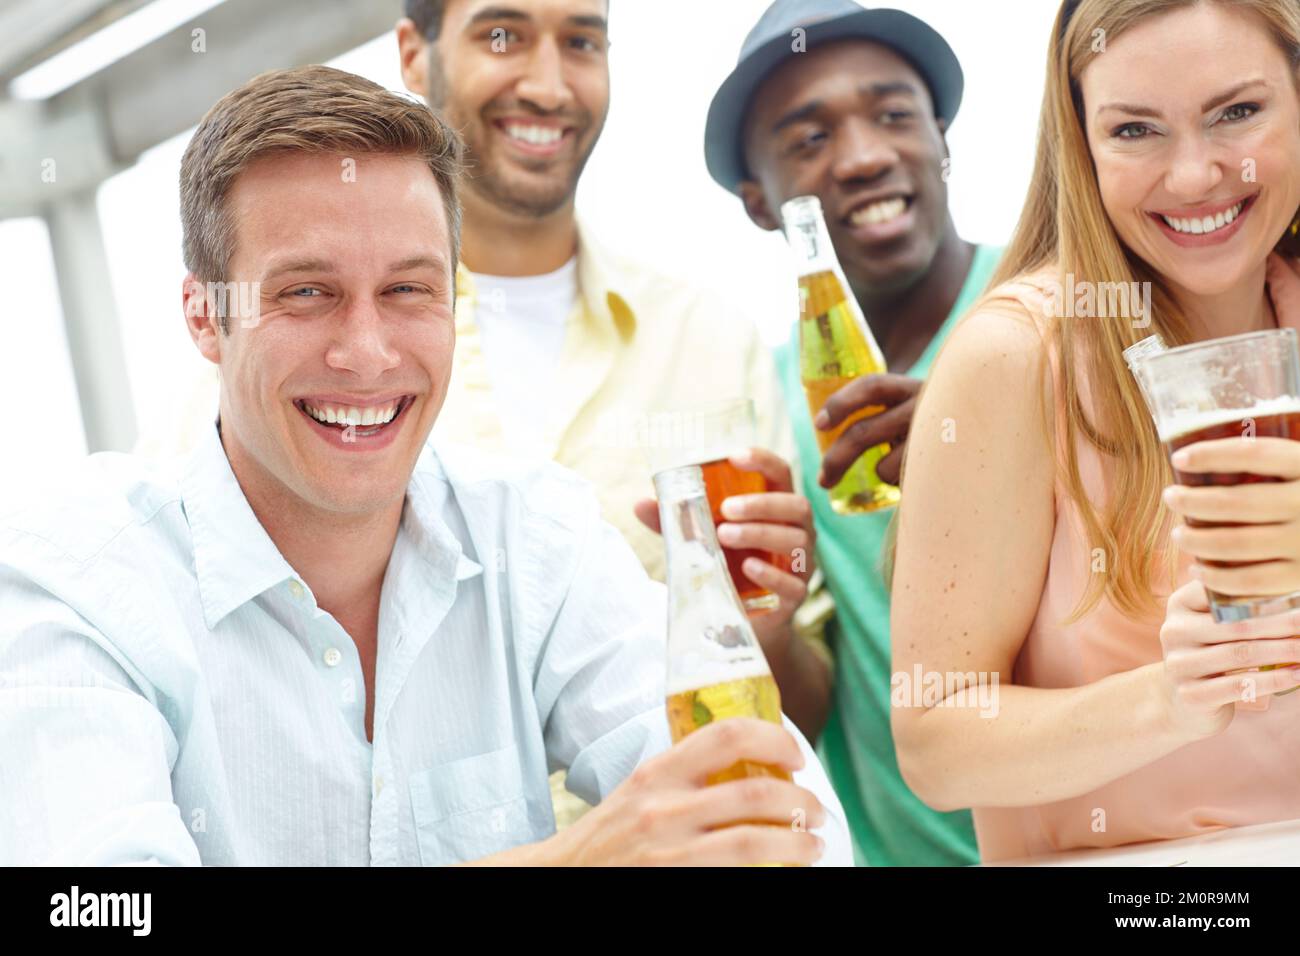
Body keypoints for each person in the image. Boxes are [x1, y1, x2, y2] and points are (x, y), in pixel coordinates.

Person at [0, 65, 852, 866]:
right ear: (203, 318)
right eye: (306, 292)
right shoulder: (77, 580)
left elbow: (789, 820)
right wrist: (578, 857)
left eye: (409, 290)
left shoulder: (538, 537)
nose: (367, 354)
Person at [395, 0, 836, 825]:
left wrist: (764, 625)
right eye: (503, 35)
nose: (550, 83)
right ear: (414, 56)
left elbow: (799, 720)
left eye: (582, 42)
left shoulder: (712, 341)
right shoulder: (320, 367)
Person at [890, 0, 1300, 862]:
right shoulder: (1016, 357)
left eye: (1237, 111)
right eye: (1136, 130)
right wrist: (1172, 697)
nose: (1193, 176)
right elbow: (934, 746)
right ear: (1081, 144)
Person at [702, 0, 1002, 865]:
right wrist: (761, 623)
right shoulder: (766, 402)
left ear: (943, 136)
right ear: (760, 202)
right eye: (807, 139)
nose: (866, 156)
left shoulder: (1058, 317)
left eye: (896, 115)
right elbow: (811, 708)